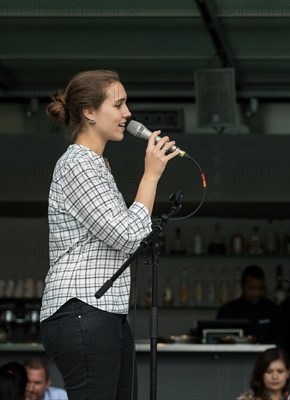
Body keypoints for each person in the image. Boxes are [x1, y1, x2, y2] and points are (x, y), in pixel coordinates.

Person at [39, 70, 180, 400]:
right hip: (81, 309)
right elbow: (128, 237)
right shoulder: (78, 164)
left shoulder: (98, 165)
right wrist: (151, 176)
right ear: (89, 112)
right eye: (118, 105)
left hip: (101, 312)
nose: (127, 113)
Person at [217, 265, 282, 344]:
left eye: (260, 288)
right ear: (243, 286)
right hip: (235, 355)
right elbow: (219, 340)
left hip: (266, 355)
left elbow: (280, 341)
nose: (257, 293)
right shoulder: (228, 311)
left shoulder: (273, 310)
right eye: (252, 288)